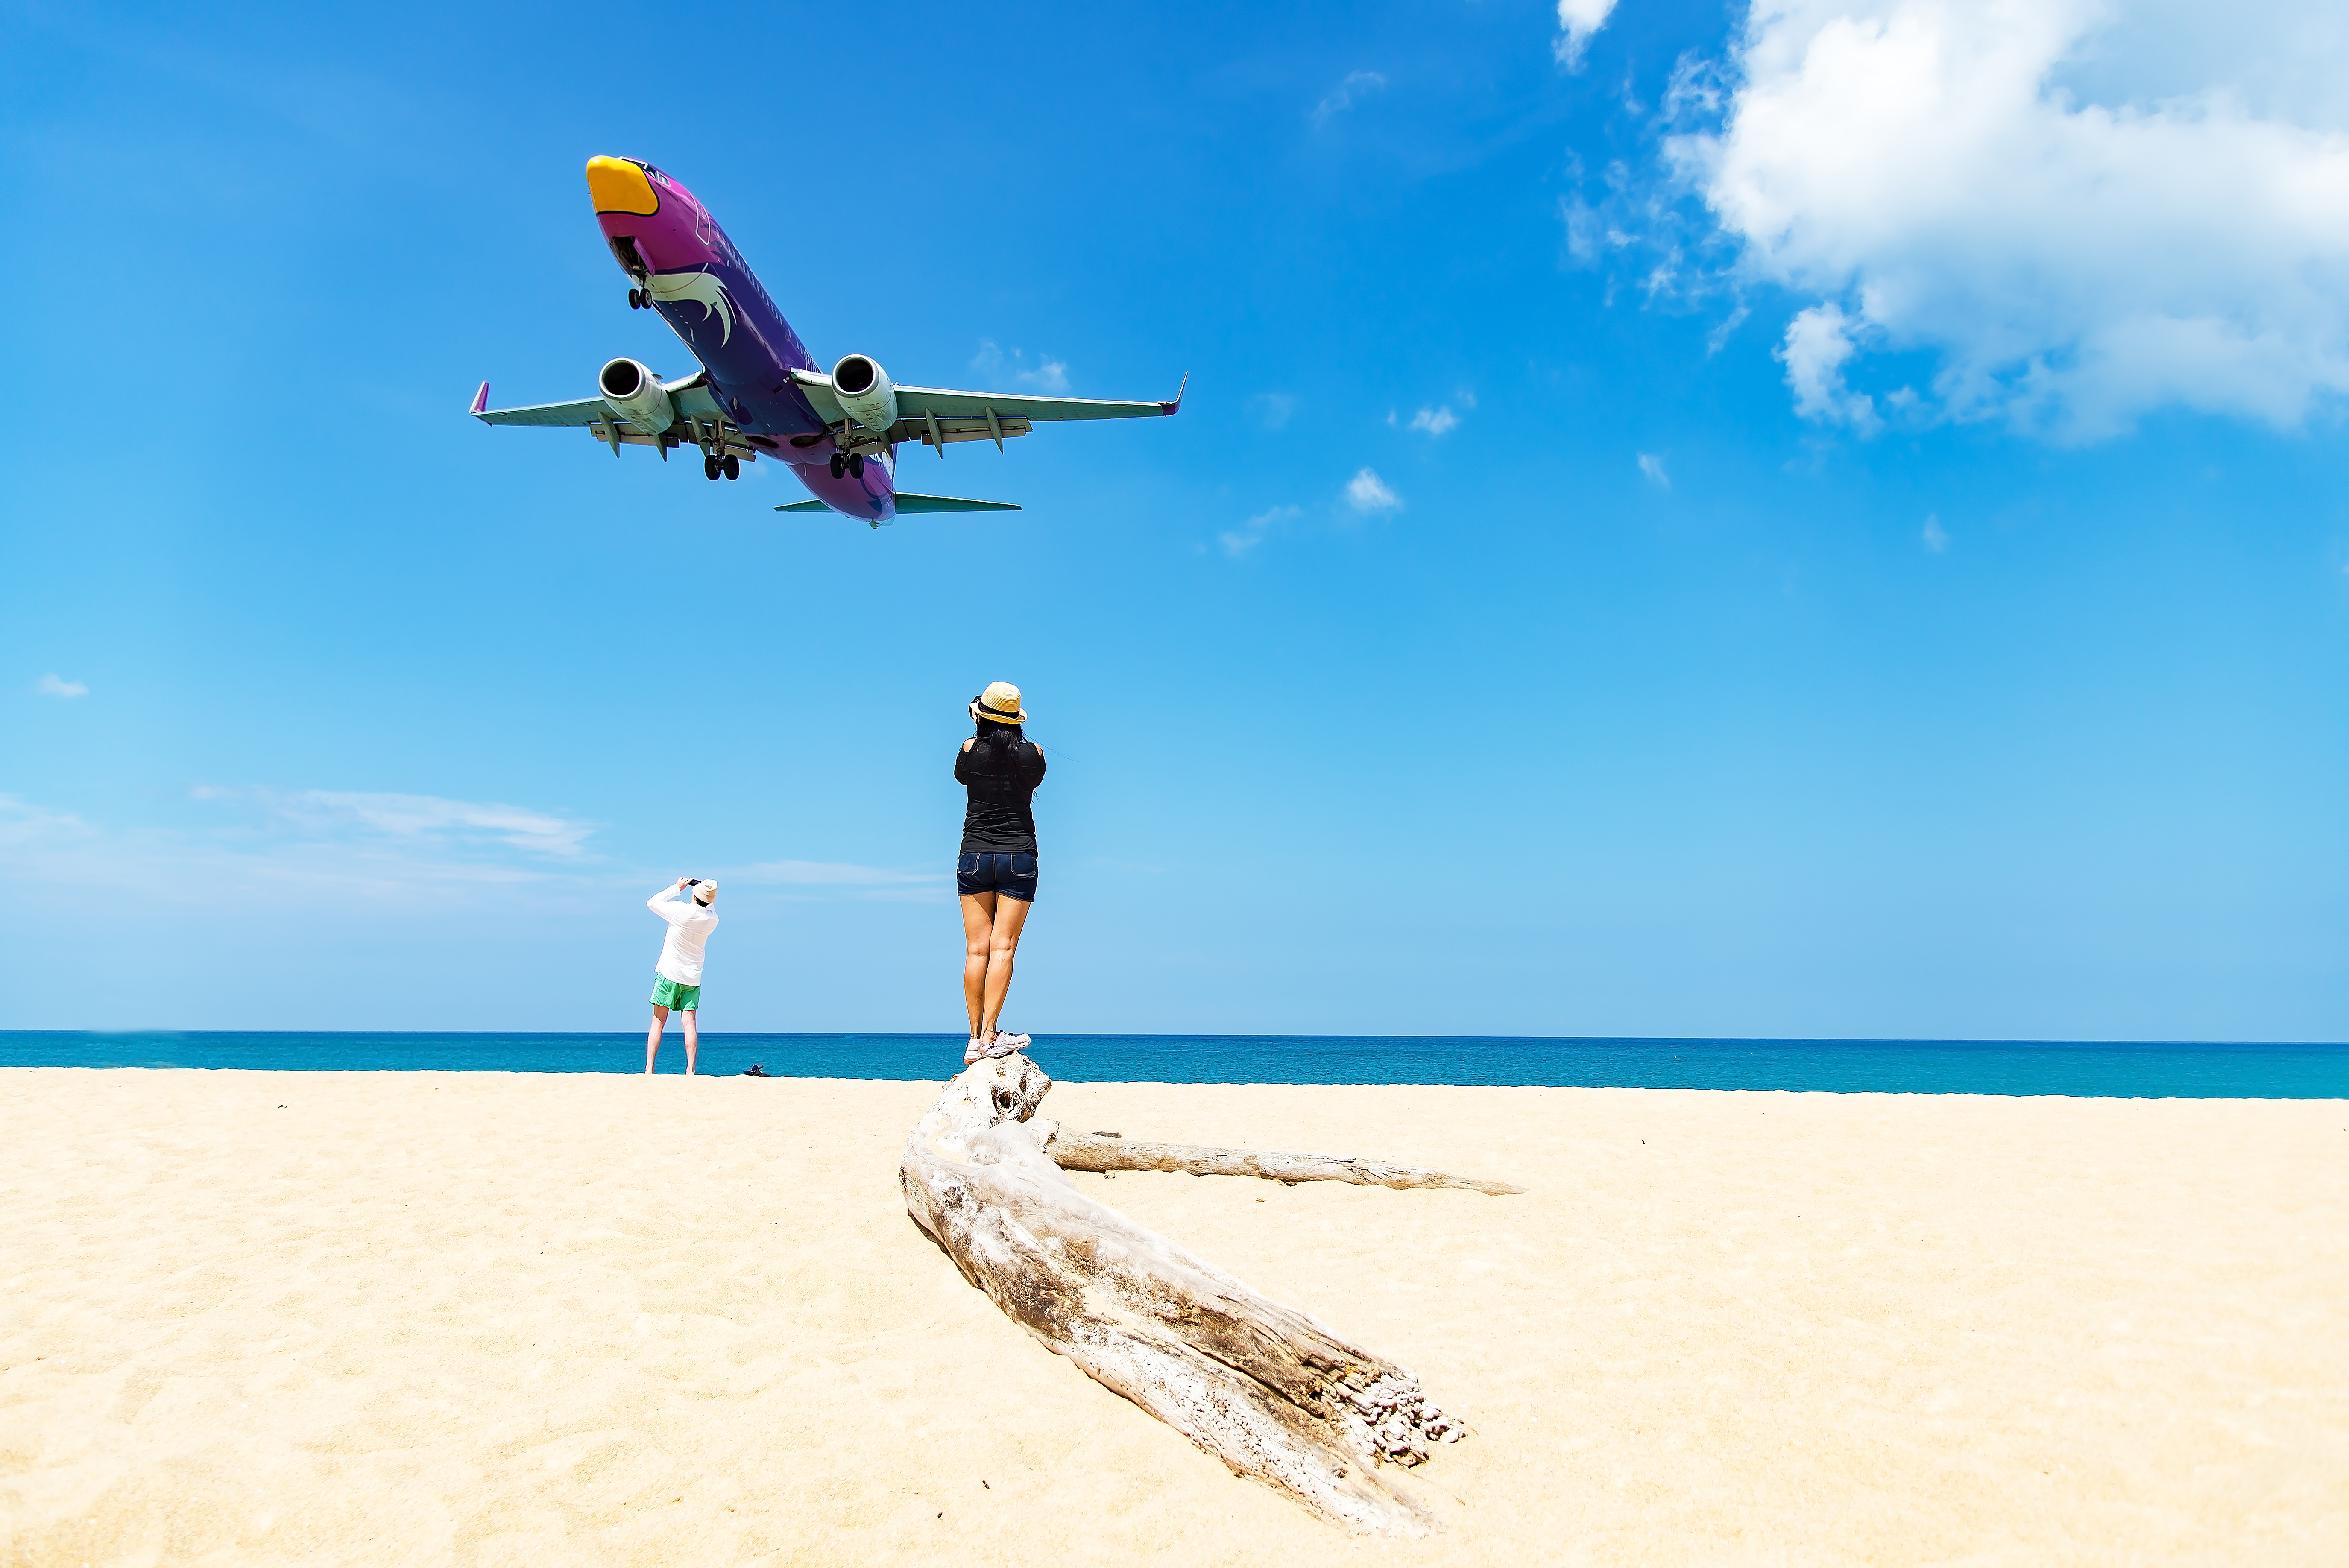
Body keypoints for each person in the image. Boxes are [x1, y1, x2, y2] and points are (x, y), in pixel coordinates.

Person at [956, 681, 1046, 1064]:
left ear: (981, 716)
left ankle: (975, 1038)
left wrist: (978, 720)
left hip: (975, 854)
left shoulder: (970, 748)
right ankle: (991, 1034)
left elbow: (964, 772)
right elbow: (1029, 770)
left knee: (976, 950)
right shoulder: (1034, 754)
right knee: (1003, 948)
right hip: (1019, 857)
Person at [645, 877, 718, 1074]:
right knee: (690, 1023)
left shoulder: (681, 912)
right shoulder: (712, 920)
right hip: (693, 978)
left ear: (694, 895)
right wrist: (706, 891)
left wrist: (677, 888)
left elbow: (652, 903)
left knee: (658, 1021)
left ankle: (650, 1068)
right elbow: (709, 906)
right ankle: (690, 1070)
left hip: (670, 974)